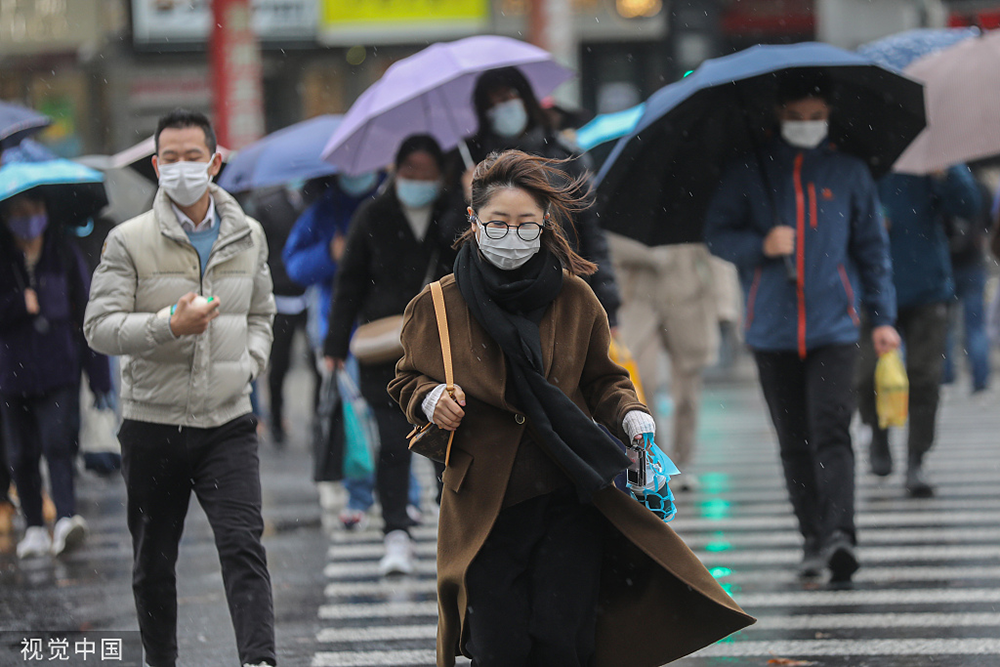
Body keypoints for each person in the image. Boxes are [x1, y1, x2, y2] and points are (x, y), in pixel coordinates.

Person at [389, 150, 752, 667]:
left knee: (565, 641)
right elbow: (405, 378)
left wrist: (631, 415)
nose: (511, 236)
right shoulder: (438, 305)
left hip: (570, 495)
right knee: (498, 646)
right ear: (474, 222)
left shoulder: (575, 297)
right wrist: (429, 399)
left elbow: (603, 380)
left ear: (545, 225)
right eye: (497, 224)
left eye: (525, 225)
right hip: (486, 507)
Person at [84, 109, 277, 667]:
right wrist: (169, 323)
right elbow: (99, 328)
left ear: (214, 162)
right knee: (153, 561)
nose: (183, 168)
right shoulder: (128, 240)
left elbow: (262, 312)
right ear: (156, 165)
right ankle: (160, 658)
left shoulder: (248, 235)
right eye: (171, 158)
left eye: (194, 157)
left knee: (243, 545)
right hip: (152, 424)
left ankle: (259, 659)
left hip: (227, 421)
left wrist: (250, 363)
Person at [704, 74, 900, 582]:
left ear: (829, 117)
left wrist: (882, 320)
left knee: (832, 430)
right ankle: (812, 536)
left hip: (836, 327)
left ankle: (841, 536)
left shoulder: (850, 172)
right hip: (770, 329)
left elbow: (873, 253)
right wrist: (760, 245)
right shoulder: (748, 170)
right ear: (779, 115)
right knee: (794, 439)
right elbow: (717, 234)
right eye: (797, 117)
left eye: (817, 118)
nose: (807, 126)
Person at [323, 135, 460, 575]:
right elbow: (349, 286)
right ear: (395, 172)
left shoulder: (454, 214)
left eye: (427, 174)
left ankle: (451, 527)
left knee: (449, 444)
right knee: (392, 447)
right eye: (409, 172)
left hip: (444, 350)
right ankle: (396, 533)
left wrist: (467, 194)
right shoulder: (373, 215)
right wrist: (334, 346)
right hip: (386, 353)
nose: (418, 181)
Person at [450, 66, 621, 327]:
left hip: (560, 293)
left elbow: (591, 233)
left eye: (507, 98)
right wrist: (468, 198)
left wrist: (608, 306)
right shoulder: (469, 161)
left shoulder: (564, 157)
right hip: (490, 298)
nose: (502, 109)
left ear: (525, 99)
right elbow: (449, 238)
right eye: (492, 104)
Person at [855, 165, 981, 497]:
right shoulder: (867, 158)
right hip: (872, 288)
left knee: (924, 378)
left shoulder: (933, 155)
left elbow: (968, 205)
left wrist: (946, 174)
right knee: (866, 376)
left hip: (927, 288)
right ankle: (878, 434)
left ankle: (916, 460)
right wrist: (866, 222)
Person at [0, 190, 113, 557]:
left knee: (57, 443)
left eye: (34, 210)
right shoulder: (3, 257)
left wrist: (100, 380)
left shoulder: (63, 251)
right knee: (21, 452)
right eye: (19, 212)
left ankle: (65, 517)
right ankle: (33, 526)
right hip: (11, 376)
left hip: (58, 370)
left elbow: (86, 315)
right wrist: (17, 304)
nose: (28, 218)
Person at [608, 235, 719, 491]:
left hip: (688, 305)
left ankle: (682, 461)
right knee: (642, 384)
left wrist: (724, 306)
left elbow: (715, 255)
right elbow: (609, 244)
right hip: (639, 305)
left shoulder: (694, 203)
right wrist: (649, 254)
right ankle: (656, 459)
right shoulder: (626, 205)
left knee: (687, 395)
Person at [243, 185, 308, 447]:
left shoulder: (312, 200)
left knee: (316, 363)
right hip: (280, 293)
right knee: (278, 364)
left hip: (306, 292)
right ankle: (276, 420)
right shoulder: (268, 204)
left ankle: (316, 421)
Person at [941, 177, 992, 394]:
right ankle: (980, 378)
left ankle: (946, 377)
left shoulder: (941, 185)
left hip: (947, 265)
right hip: (973, 265)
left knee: (946, 326)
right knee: (976, 326)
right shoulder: (981, 188)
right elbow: (989, 222)